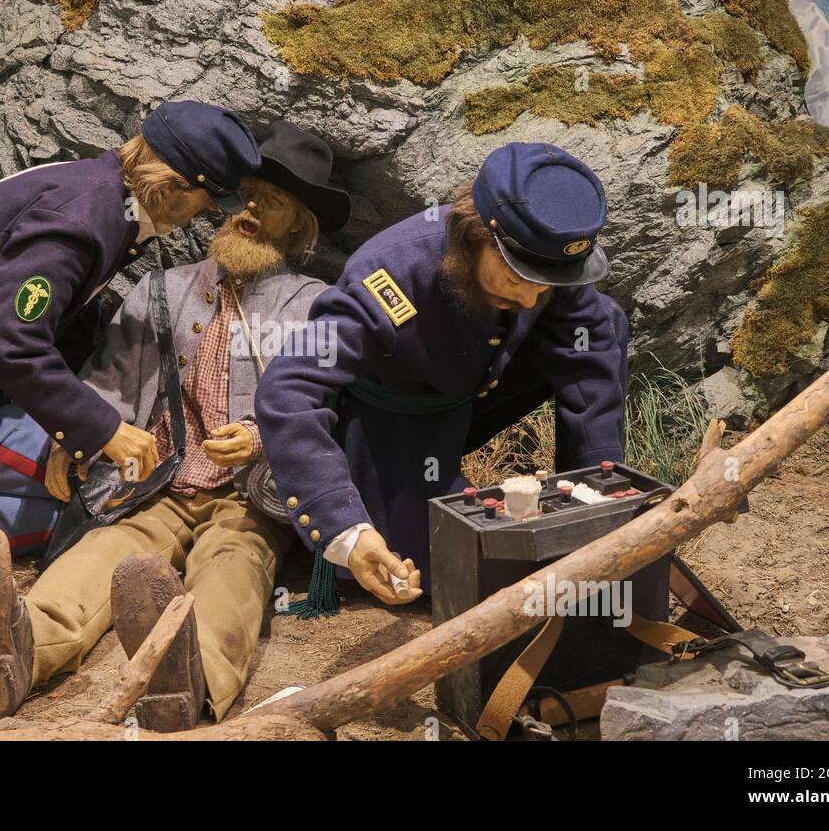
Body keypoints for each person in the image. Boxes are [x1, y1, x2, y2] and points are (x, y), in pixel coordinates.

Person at [0, 121, 349, 728]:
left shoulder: (316, 305)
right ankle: (15, 647)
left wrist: (262, 438)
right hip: (157, 481)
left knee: (234, 566)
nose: (254, 209)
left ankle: (191, 677)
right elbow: (109, 381)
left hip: (249, 496)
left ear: (300, 226)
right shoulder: (161, 290)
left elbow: (330, 405)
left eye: (277, 202)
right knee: (110, 550)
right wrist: (74, 437)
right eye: (250, 194)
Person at [0, 101, 260, 589]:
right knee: (114, 491)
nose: (202, 218)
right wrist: (98, 430)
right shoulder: (79, 222)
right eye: (204, 203)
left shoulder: (102, 193)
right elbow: (10, 345)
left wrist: (72, 430)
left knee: (103, 476)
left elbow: (63, 323)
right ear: (170, 188)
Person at [255, 142, 630, 607]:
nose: (531, 301)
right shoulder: (389, 274)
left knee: (602, 323)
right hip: (389, 420)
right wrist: (344, 529)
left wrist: (602, 494)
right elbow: (287, 389)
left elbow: (589, 352)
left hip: (470, 396)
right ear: (475, 236)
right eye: (516, 279)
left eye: (545, 284)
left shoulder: (543, 258)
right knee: (454, 574)